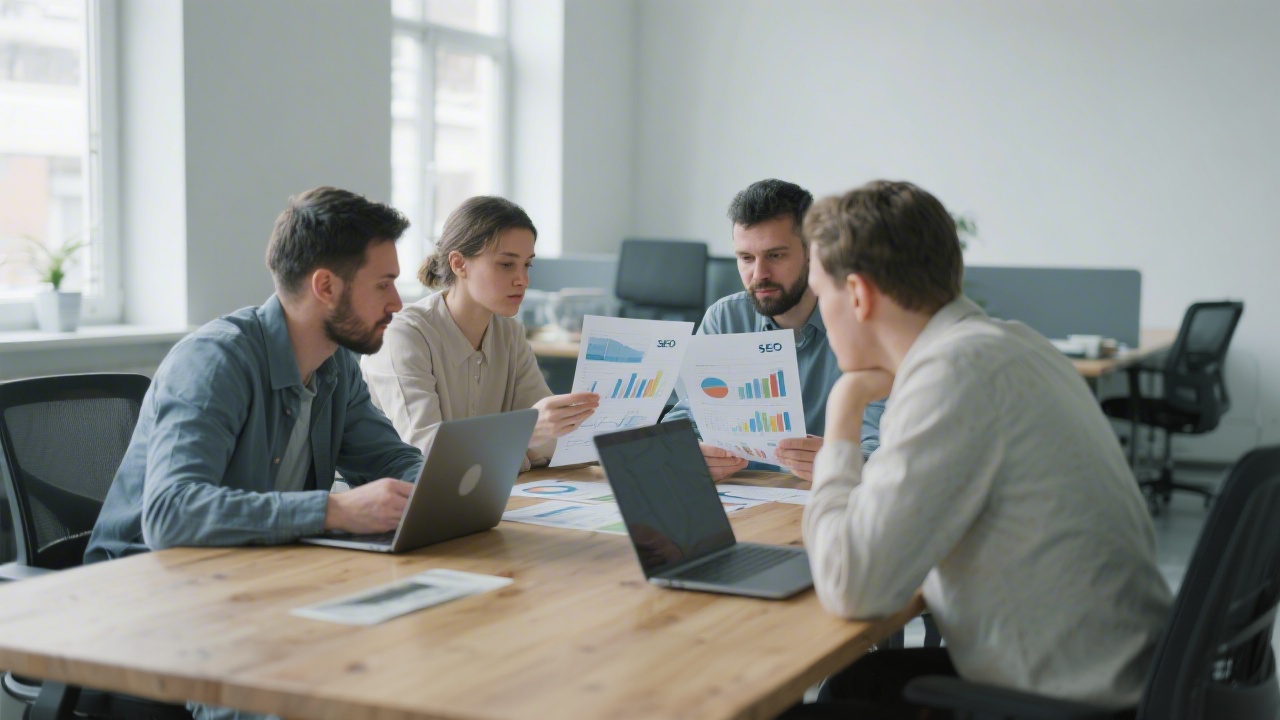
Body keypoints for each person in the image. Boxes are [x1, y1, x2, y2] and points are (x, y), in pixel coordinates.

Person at [792, 180, 1171, 718]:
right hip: (1129, 677)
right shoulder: (1014, 344)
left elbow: (852, 586)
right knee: (859, 683)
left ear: (857, 294)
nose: (818, 312)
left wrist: (843, 410)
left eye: (818, 293)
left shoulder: (953, 374)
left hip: (1069, 702)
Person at [84, 187, 429, 720]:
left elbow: (391, 458)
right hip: (151, 589)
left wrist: (441, 484)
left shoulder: (335, 365)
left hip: (257, 575)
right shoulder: (215, 360)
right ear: (325, 285)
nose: (397, 303)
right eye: (383, 284)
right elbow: (170, 514)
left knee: (403, 657)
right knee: (287, 695)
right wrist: (334, 510)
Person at [663, 179, 884, 481]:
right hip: (744, 498)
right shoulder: (725, 319)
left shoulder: (861, 323)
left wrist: (843, 461)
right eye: (746, 258)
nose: (759, 275)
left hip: (823, 502)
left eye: (776, 256)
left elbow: (884, 443)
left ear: (812, 251)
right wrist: (686, 451)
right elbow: (685, 419)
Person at [362, 196, 598, 469]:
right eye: (507, 264)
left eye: (527, 264)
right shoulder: (403, 335)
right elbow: (425, 454)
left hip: (492, 497)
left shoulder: (510, 334)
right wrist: (522, 441)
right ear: (459, 264)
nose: (523, 279)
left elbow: (558, 441)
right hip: (405, 506)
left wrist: (518, 445)